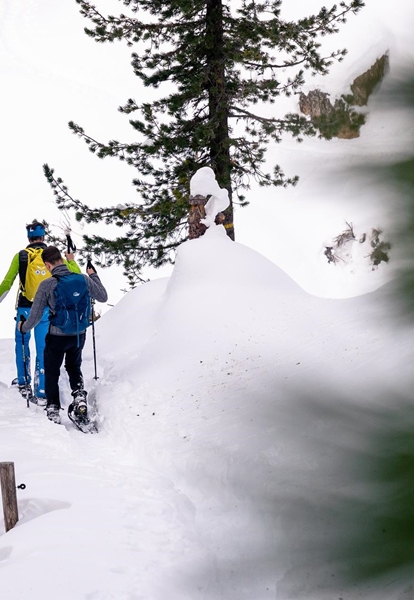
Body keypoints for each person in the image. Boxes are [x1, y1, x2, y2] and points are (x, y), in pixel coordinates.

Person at [18, 245, 108, 424]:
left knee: (51, 370)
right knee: (74, 367)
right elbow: (103, 297)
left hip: (57, 337)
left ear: (47, 265)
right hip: (78, 335)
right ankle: (79, 396)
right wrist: (93, 275)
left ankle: (52, 407)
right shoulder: (82, 279)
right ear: (62, 260)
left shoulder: (47, 284)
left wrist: (23, 327)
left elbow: (35, 316)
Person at [0, 221, 81, 404]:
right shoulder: (52, 257)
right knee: (44, 347)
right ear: (43, 237)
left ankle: (23, 382)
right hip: (47, 309)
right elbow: (75, 274)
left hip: (25, 308)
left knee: (22, 343)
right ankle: (42, 388)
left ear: (28, 238)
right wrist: (71, 260)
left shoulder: (21, 256)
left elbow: (6, 284)